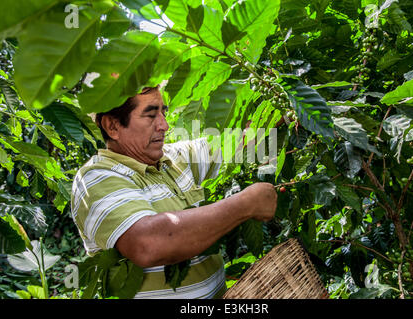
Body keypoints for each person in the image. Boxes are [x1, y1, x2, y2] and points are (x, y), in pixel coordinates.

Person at [70, 86, 278, 299]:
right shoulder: (95, 179)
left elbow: (242, 141)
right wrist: (245, 204)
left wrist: (284, 112)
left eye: (163, 113)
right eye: (151, 115)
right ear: (113, 126)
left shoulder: (174, 158)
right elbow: (148, 243)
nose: (164, 125)